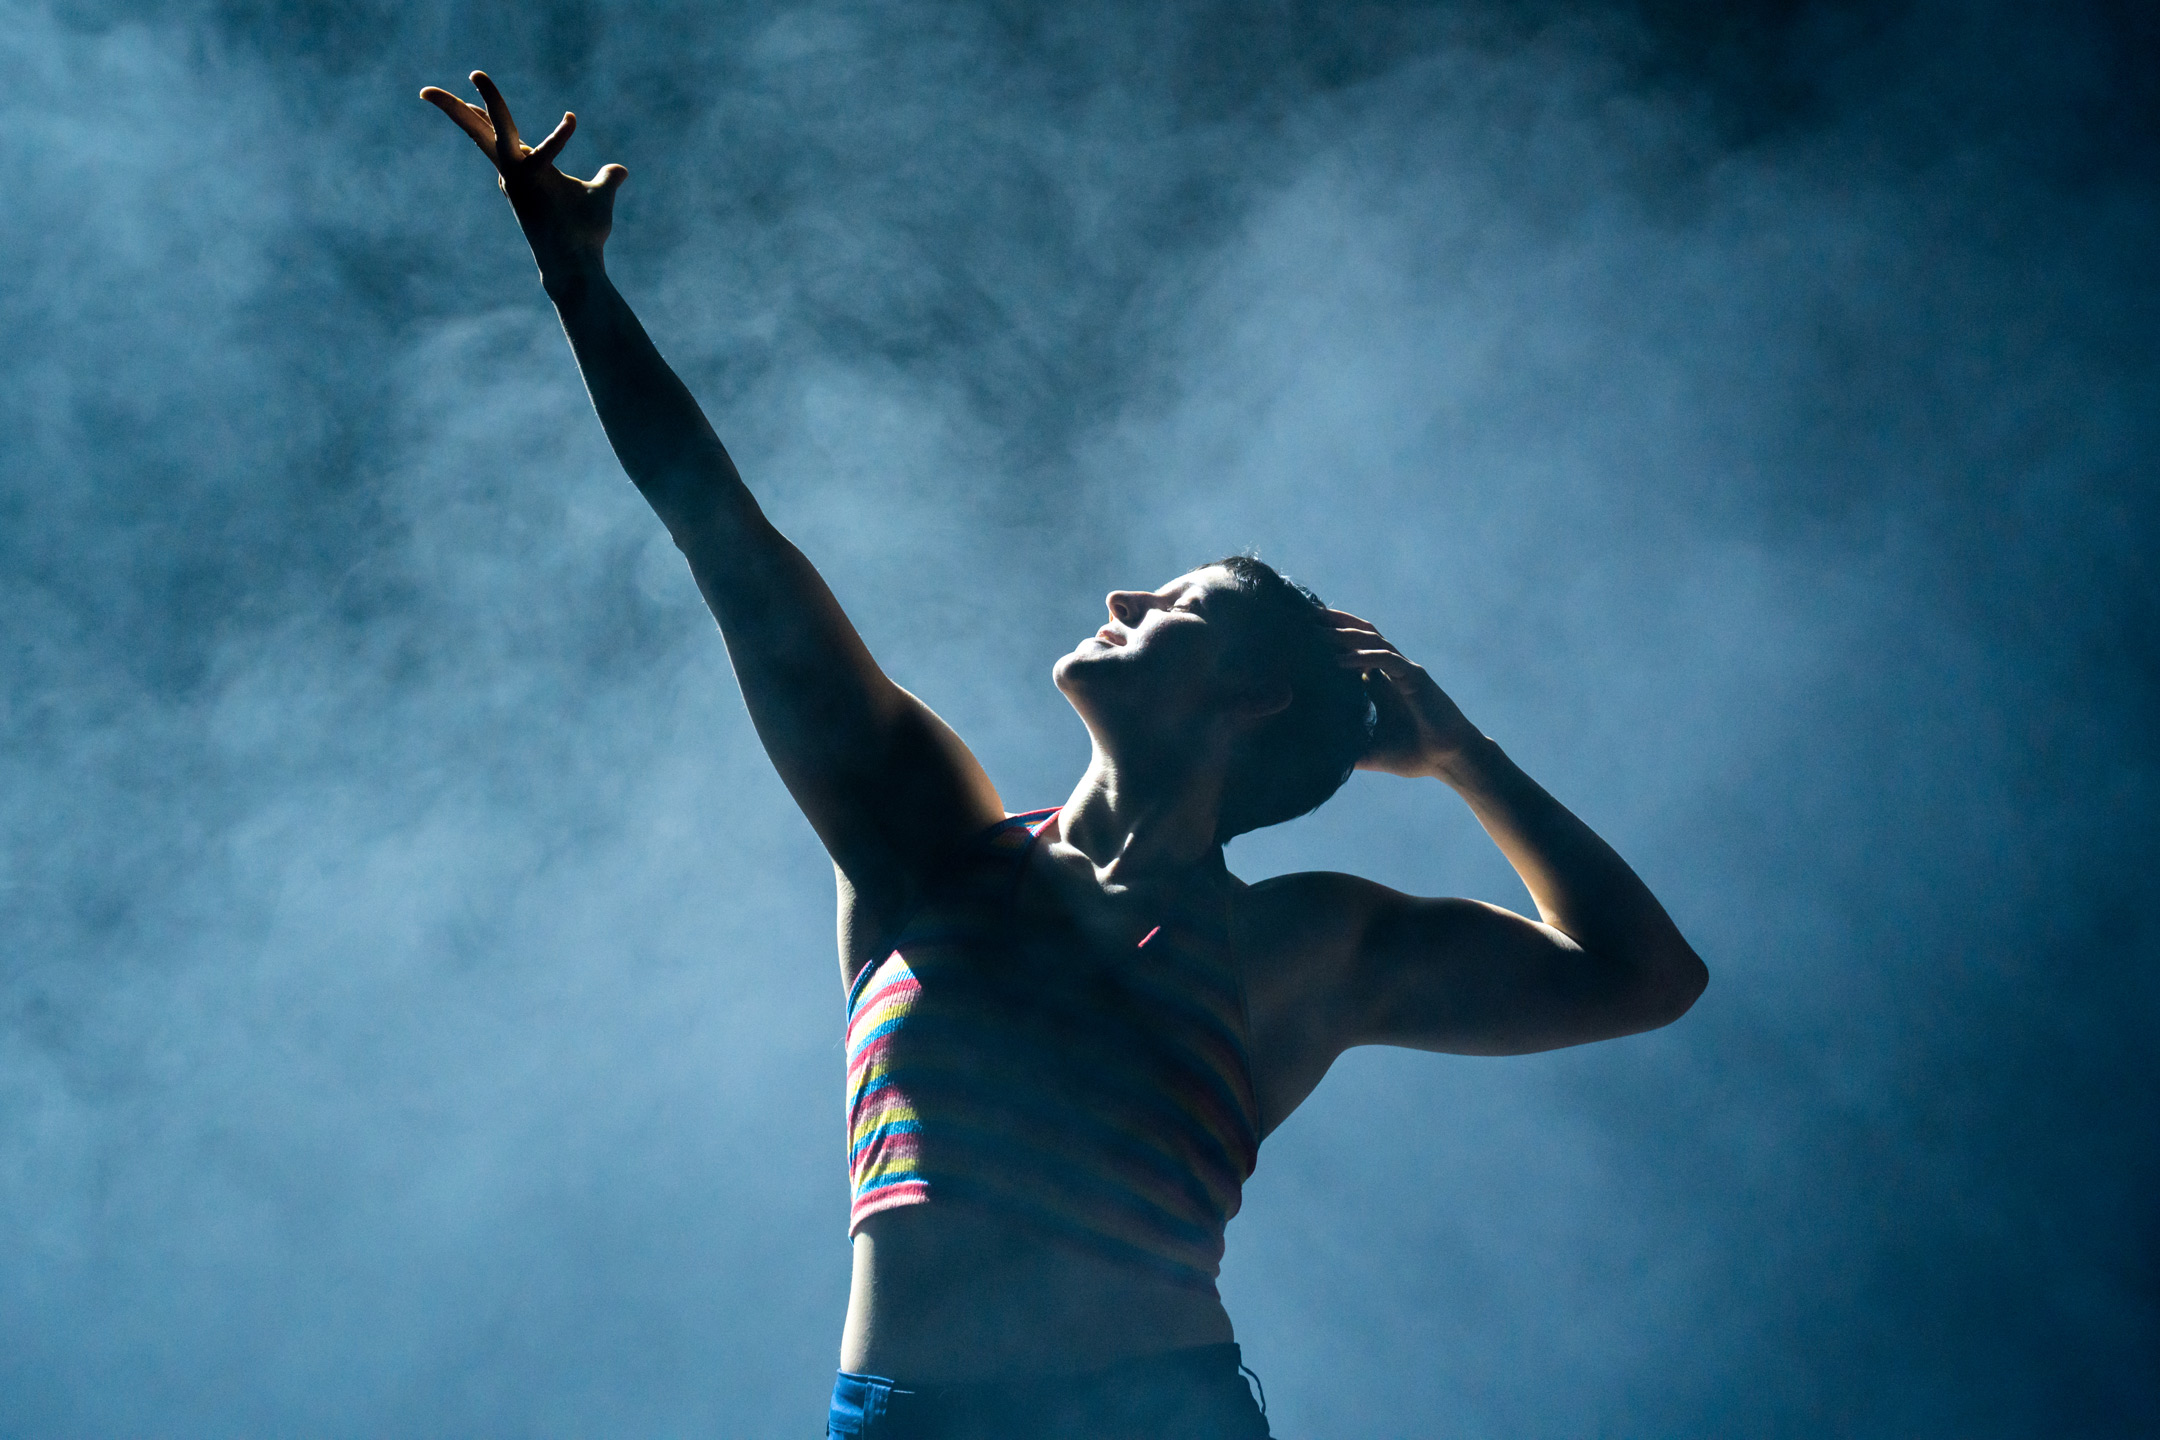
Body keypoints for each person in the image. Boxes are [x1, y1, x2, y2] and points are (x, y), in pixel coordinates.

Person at [421, 71, 1708, 1440]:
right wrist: (578, 287)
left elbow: (1645, 976)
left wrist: (1462, 755)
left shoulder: (1304, 946)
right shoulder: (926, 842)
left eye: (1173, 609)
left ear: (1252, 700)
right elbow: (727, 540)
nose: (1122, 601)